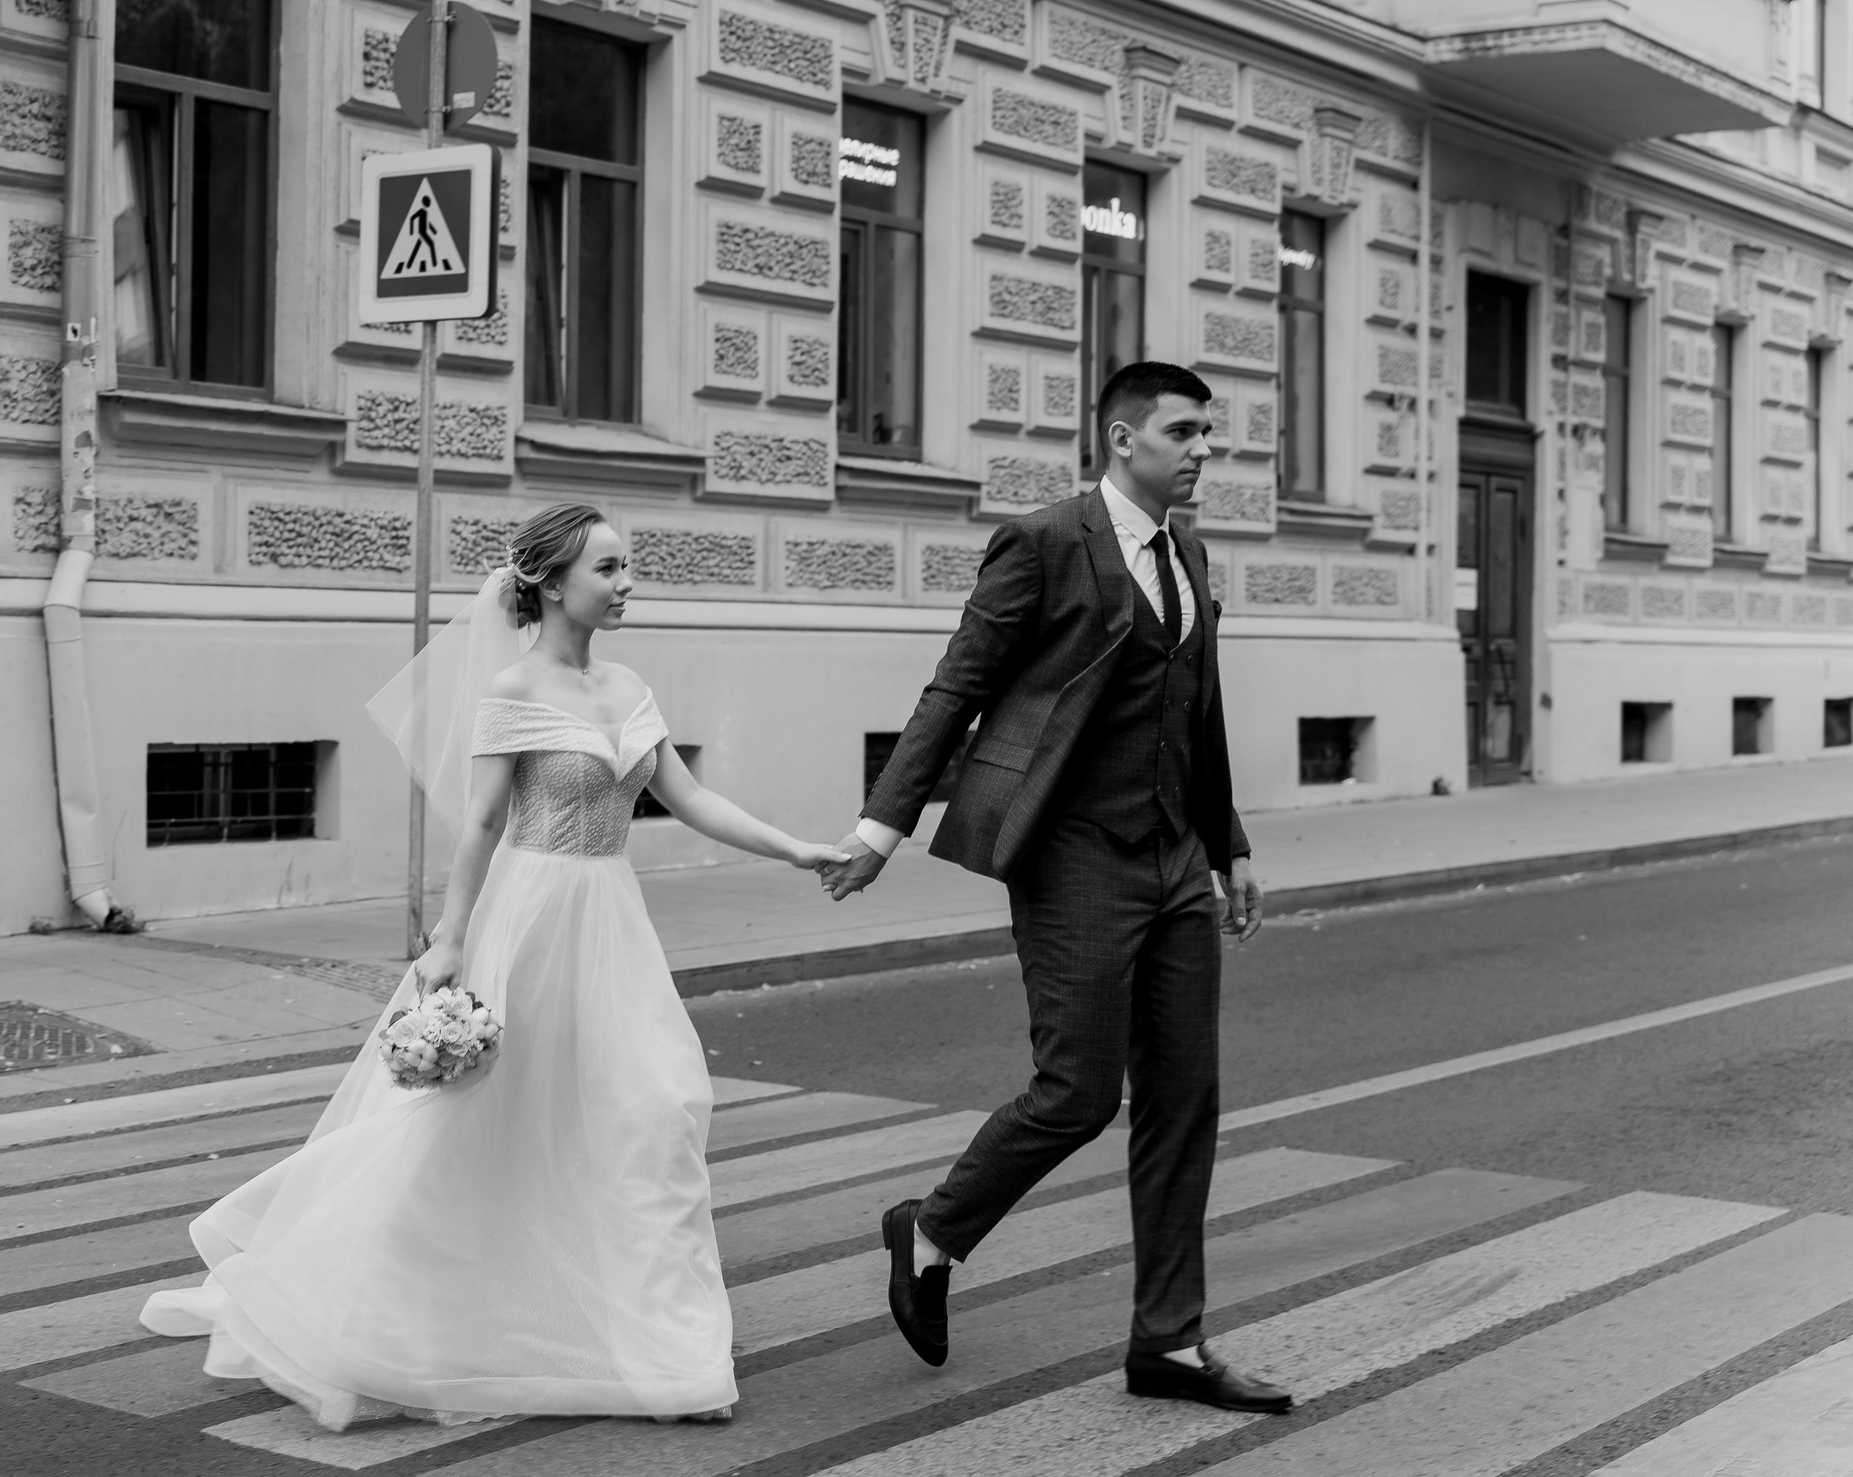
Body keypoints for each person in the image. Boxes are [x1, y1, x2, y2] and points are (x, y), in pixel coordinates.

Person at [143, 502, 849, 1429]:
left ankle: (672, 1353)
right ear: (552, 584)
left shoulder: (629, 685)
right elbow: (481, 823)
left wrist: (797, 849)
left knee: (657, 1110)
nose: (628, 582)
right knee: (481, 1130)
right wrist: (450, 938)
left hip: (612, 926)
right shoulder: (514, 689)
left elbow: (689, 796)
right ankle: (380, 1312)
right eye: (608, 568)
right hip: (530, 920)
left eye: (627, 565)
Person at [817, 360, 1293, 1416]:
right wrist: (880, 828)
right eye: (1183, 431)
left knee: (1184, 1099)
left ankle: (1168, 1342)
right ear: (1123, 439)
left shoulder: (1188, 553)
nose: (1203, 451)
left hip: (1175, 858)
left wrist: (1228, 844)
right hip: (1073, 853)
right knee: (1077, 1091)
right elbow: (956, 686)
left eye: (1207, 433)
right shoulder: (1043, 543)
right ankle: (933, 1228)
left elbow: (1199, 709)